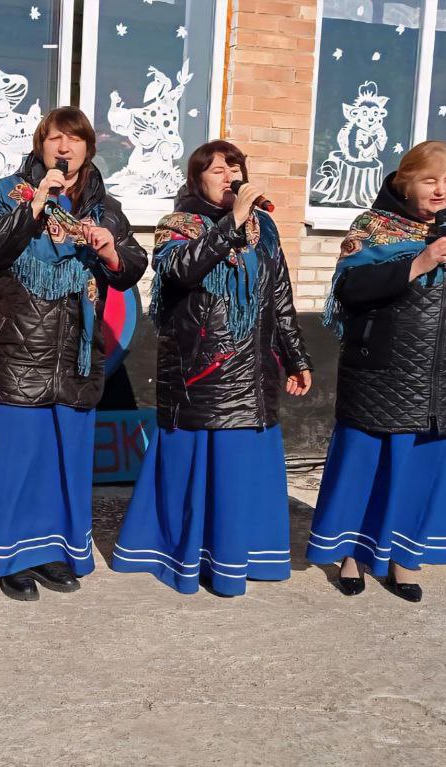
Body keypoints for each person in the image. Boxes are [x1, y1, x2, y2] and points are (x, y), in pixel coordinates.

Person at [0, 107, 147, 601]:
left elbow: (131, 266)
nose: (64, 148)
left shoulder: (104, 207)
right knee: (14, 459)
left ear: (88, 148)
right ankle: (4, 555)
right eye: (54, 139)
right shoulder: (9, 191)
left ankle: (50, 553)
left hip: (74, 353)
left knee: (60, 460)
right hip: (17, 346)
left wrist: (109, 252)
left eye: (75, 140)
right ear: (40, 146)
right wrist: (34, 206)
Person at [307, 140, 446, 602]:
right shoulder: (373, 228)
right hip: (382, 371)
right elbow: (350, 290)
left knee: (423, 470)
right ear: (405, 182)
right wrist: (416, 264)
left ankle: (404, 559)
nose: (440, 190)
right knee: (368, 467)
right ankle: (353, 555)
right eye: (429, 180)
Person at [111, 140, 312, 596]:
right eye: (215, 169)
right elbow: (180, 271)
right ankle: (183, 555)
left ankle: (238, 557)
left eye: (234, 166)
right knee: (198, 472)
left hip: (253, 372)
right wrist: (231, 224)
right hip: (200, 370)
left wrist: (296, 357)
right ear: (196, 178)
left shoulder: (266, 228)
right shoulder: (177, 225)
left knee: (240, 474)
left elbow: (279, 298)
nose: (227, 175)